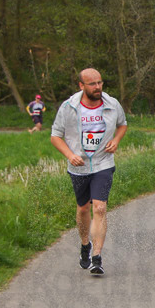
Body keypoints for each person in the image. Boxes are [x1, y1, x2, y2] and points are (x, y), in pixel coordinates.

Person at [49, 68, 128, 276]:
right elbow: (55, 136)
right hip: (78, 166)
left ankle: (97, 257)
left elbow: (122, 125)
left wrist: (116, 141)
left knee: (100, 208)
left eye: (100, 83)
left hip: (103, 163)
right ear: (81, 85)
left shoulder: (112, 104)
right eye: (92, 84)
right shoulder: (69, 107)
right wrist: (69, 155)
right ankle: (85, 245)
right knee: (83, 208)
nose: (97, 87)